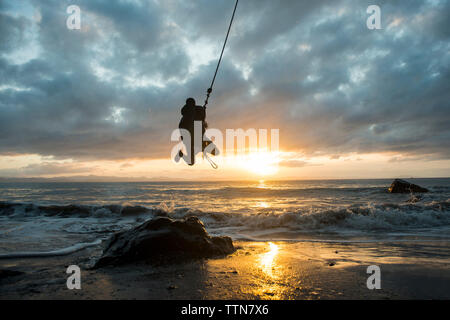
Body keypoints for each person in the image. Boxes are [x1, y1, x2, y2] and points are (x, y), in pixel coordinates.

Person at [178, 97, 217, 165]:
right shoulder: (199, 111)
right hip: (196, 140)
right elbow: (203, 121)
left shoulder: (185, 118)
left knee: (191, 162)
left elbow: (182, 131)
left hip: (192, 142)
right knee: (214, 151)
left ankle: (201, 147)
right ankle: (201, 147)